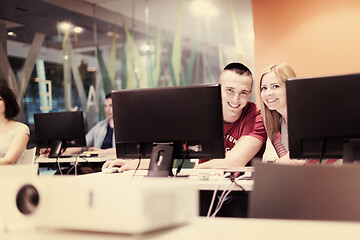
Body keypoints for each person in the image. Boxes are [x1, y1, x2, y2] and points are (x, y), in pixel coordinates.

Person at [102, 62, 267, 172]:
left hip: (239, 191)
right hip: (204, 185)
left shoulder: (256, 116)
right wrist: (131, 165)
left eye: (243, 92)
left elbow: (234, 162)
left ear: (250, 94)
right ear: (218, 89)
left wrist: (193, 172)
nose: (236, 99)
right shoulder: (200, 113)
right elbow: (171, 153)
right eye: (229, 90)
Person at [258, 63, 305, 165]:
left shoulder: (306, 118)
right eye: (264, 88)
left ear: (291, 87)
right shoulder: (276, 124)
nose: (268, 93)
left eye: (275, 86)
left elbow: (301, 158)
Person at [0, 85, 30, 165]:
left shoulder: (21, 129)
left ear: (7, 103)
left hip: (10, 175)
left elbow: (9, 160)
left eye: (0, 99)